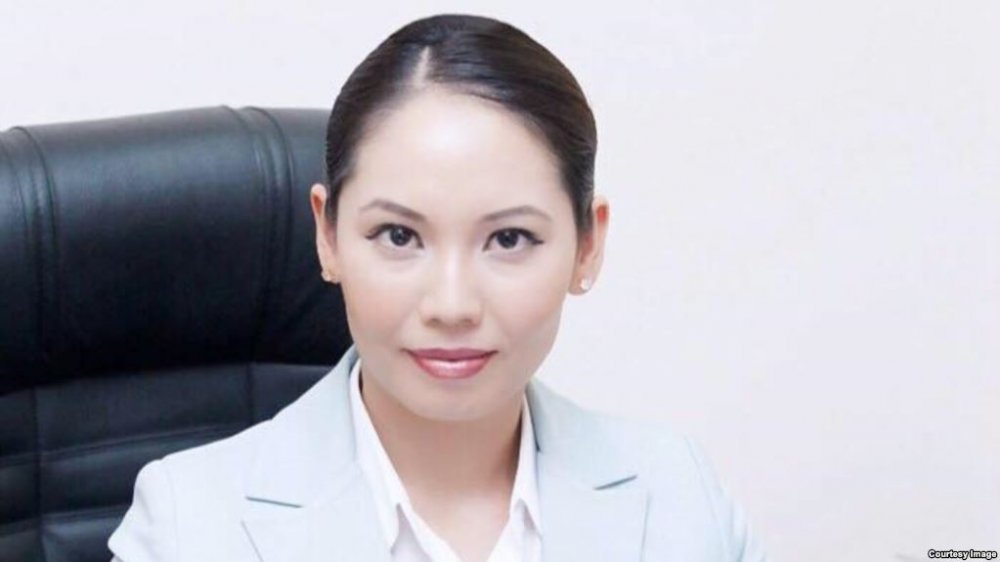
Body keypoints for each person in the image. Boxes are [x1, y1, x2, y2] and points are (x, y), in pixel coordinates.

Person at [107, 13, 769, 562]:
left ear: (587, 246)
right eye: (399, 236)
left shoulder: (680, 499)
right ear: (327, 236)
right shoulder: (186, 527)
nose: (452, 305)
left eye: (509, 239)